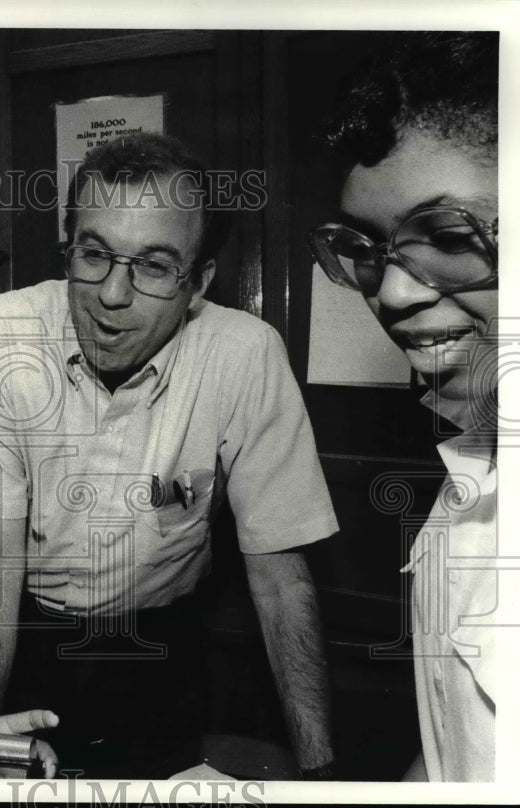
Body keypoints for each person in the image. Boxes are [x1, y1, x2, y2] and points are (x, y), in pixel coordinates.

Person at [0, 132, 339, 778]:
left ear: (198, 280)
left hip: (165, 646)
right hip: (24, 639)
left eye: (153, 266)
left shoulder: (245, 354)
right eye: (94, 255)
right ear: (68, 250)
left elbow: (281, 581)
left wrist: (323, 777)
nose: (112, 296)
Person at [309, 32, 498, 782]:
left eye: (450, 237)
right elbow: (455, 752)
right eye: (370, 249)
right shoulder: (470, 471)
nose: (389, 295)